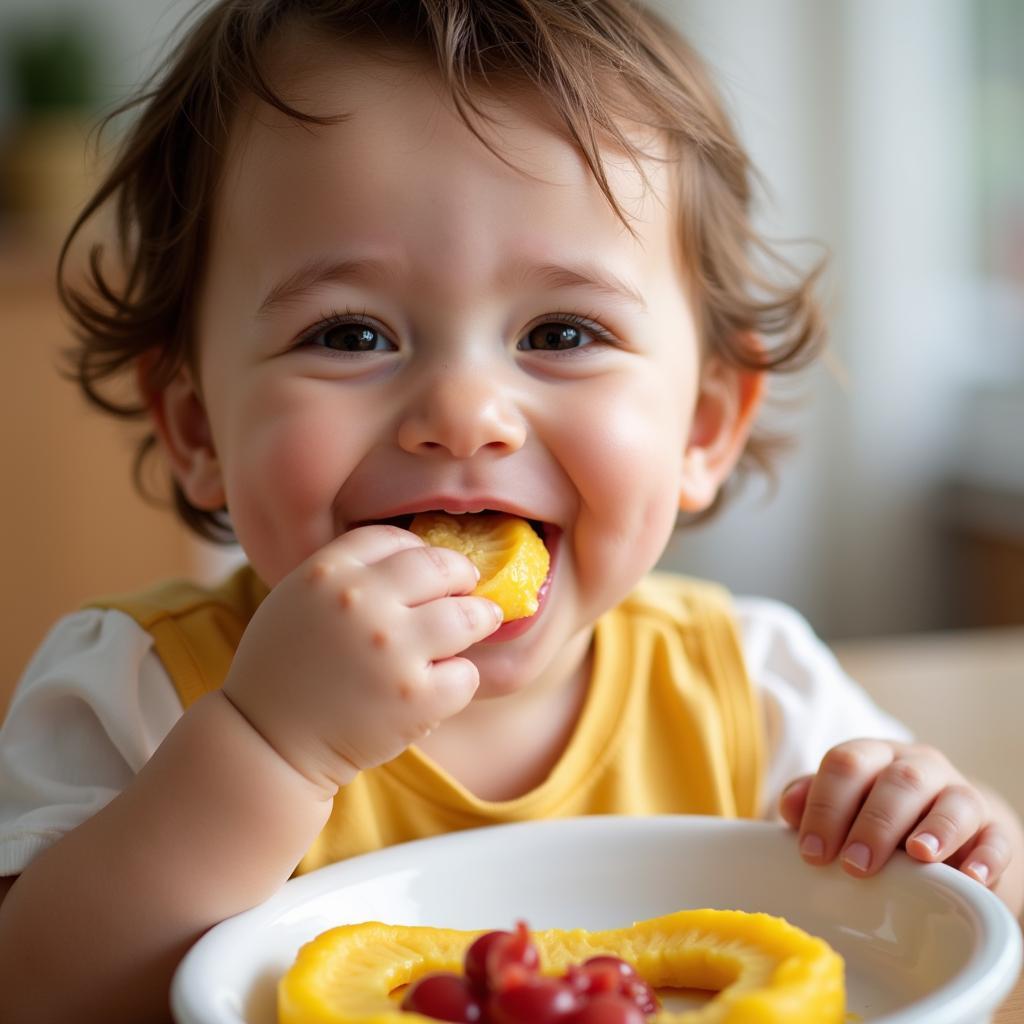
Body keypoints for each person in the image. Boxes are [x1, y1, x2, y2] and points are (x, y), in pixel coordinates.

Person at [0, 1, 1020, 1020]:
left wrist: (953, 840)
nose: (464, 415)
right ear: (196, 425)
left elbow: (954, 931)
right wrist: (270, 748)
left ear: (704, 424)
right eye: (350, 335)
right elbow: (36, 991)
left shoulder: (750, 691)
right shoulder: (135, 691)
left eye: (562, 330)